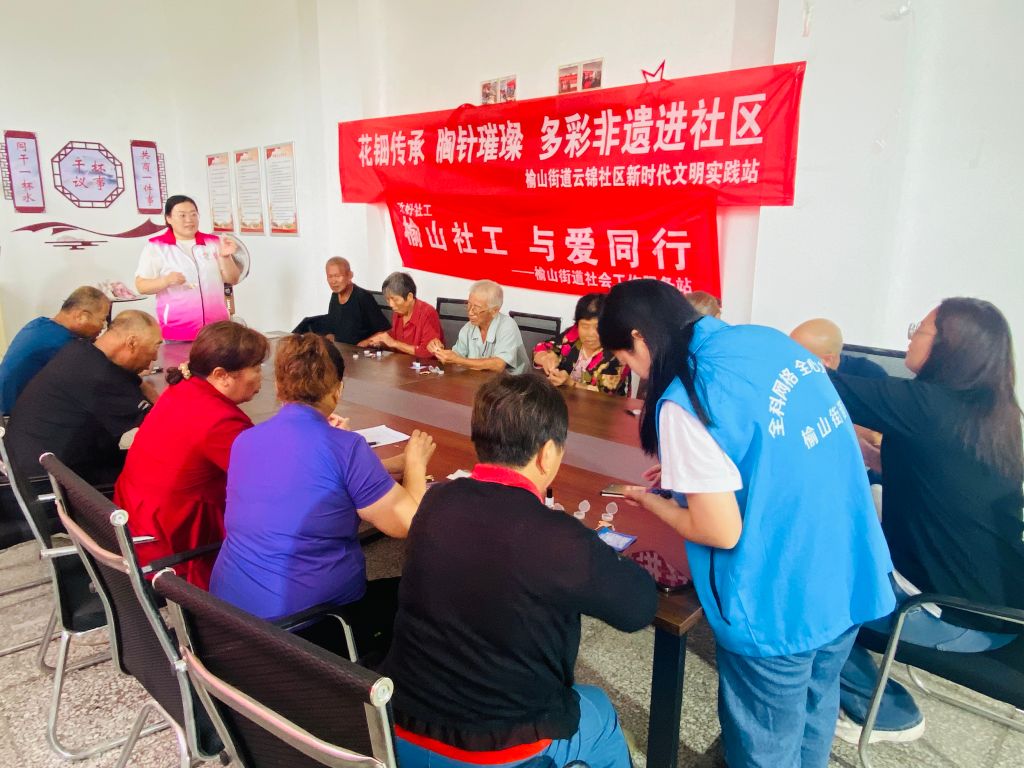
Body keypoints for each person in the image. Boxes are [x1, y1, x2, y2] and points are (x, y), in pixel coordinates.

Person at [598, 280, 893, 768]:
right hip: (848, 564)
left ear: (639, 338)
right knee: (816, 705)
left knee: (767, 742)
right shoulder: (766, 340)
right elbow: (778, 447)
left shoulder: (687, 393)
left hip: (781, 597)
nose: (633, 372)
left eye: (625, 358)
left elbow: (720, 531)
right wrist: (692, 473)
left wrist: (653, 504)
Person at [380, 374, 657, 768]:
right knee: (598, 708)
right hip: (497, 749)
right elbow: (639, 608)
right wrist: (594, 549)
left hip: (399, 730)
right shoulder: (559, 538)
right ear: (547, 454)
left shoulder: (436, 501)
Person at [829, 298, 1024, 744]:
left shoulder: (928, 405)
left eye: (920, 329)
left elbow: (825, 385)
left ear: (948, 346)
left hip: (946, 615)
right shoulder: (996, 414)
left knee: (804, 588)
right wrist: (879, 459)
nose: (910, 338)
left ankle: (884, 711)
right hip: (1004, 609)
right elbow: (947, 478)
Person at [210, 333, 435, 626]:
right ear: (338, 390)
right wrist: (416, 464)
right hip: (305, 627)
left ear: (278, 386)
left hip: (227, 616)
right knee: (421, 599)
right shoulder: (346, 448)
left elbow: (318, 475)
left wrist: (385, 463)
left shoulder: (245, 440)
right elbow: (407, 523)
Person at [114, 321, 269, 589]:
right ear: (221, 375)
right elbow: (268, 483)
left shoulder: (182, 390)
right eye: (255, 368)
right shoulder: (220, 420)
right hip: (177, 549)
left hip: (138, 525)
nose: (260, 377)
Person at [5, 311, 162, 485]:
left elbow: (139, 385)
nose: (155, 357)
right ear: (131, 343)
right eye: (156, 346)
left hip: (36, 459)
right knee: (164, 472)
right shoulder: (100, 378)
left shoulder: (81, 350)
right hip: (51, 479)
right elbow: (162, 424)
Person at [135, 195, 241, 342]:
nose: (189, 220)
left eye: (193, 214)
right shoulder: (156, 247)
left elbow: (233, 279)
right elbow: (141, 286)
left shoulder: (213, 242)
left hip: (217, 329)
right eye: (182, 215)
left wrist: (225, 256)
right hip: (178, 330)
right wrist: (166, 281)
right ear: (168, 218)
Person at [0, 286, 110, 414]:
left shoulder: (39, 323)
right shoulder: (65, 344)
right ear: (81, 316)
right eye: (102, 320)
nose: (103, 327)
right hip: (11, 416)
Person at [533, 292, 627, 395]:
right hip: (565, 399)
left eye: (598, 327)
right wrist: (545, 358)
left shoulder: (619, 352)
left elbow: (605, 394)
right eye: (585, 326)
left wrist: (570, 383)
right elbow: (542, 347)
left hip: (604, 404)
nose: (590, 334)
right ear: (577, 324)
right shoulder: (572, 334)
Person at [426, 279, 529, 374]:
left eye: (476, 308)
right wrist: (440, 351)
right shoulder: (468, 328)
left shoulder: (507, 326)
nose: (470, 312)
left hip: (514, 383)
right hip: (480, 380)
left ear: (494, 311)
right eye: (469, 305)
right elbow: (455, 357)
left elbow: (498, 365)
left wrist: (457, 360)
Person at [358, 271, 443, 358]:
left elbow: (429, 352)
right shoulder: (398, 312)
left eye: (395, 300)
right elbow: (395, 338)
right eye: (388, 299)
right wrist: (379, 341)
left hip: (424, 365)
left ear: (409, 297)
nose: (391, 304)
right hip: (401, 363)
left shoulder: (428, 313)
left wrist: (394, 343)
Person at [317, 257, 390, 345]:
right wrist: (329, 336)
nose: (333, 281)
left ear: (350, 275)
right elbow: (333, 329)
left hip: (359, 351)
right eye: (330, 277)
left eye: (337, 276)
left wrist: (367, 342)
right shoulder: (335, 296)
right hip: (341, 349)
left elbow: (384, 331)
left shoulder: (363, 297)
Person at [790, 318, 888, 379]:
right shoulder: (788, 373)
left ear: (827, 360)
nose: (791, 362)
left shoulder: (869, 376)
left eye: (798, 356)